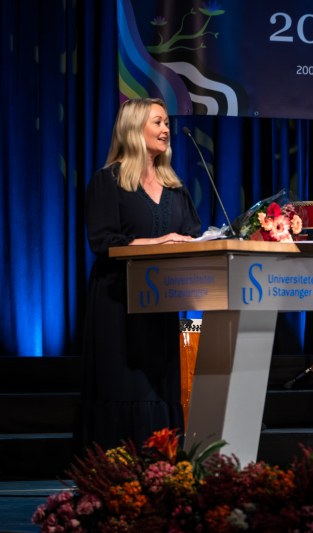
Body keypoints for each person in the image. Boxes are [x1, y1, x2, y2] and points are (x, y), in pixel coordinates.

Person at [76, 97, 201, 452]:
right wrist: (158, 241)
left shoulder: (176, 189)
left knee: (158, 386)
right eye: (158, 122)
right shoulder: (107, 181)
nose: (166, 130)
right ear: (134, 128)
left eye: (166, 124)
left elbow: (192, 234)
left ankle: (161, 460)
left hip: (163, 304)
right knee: (124, 385)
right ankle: (114, 465)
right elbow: (102, 241)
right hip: (119, 302)